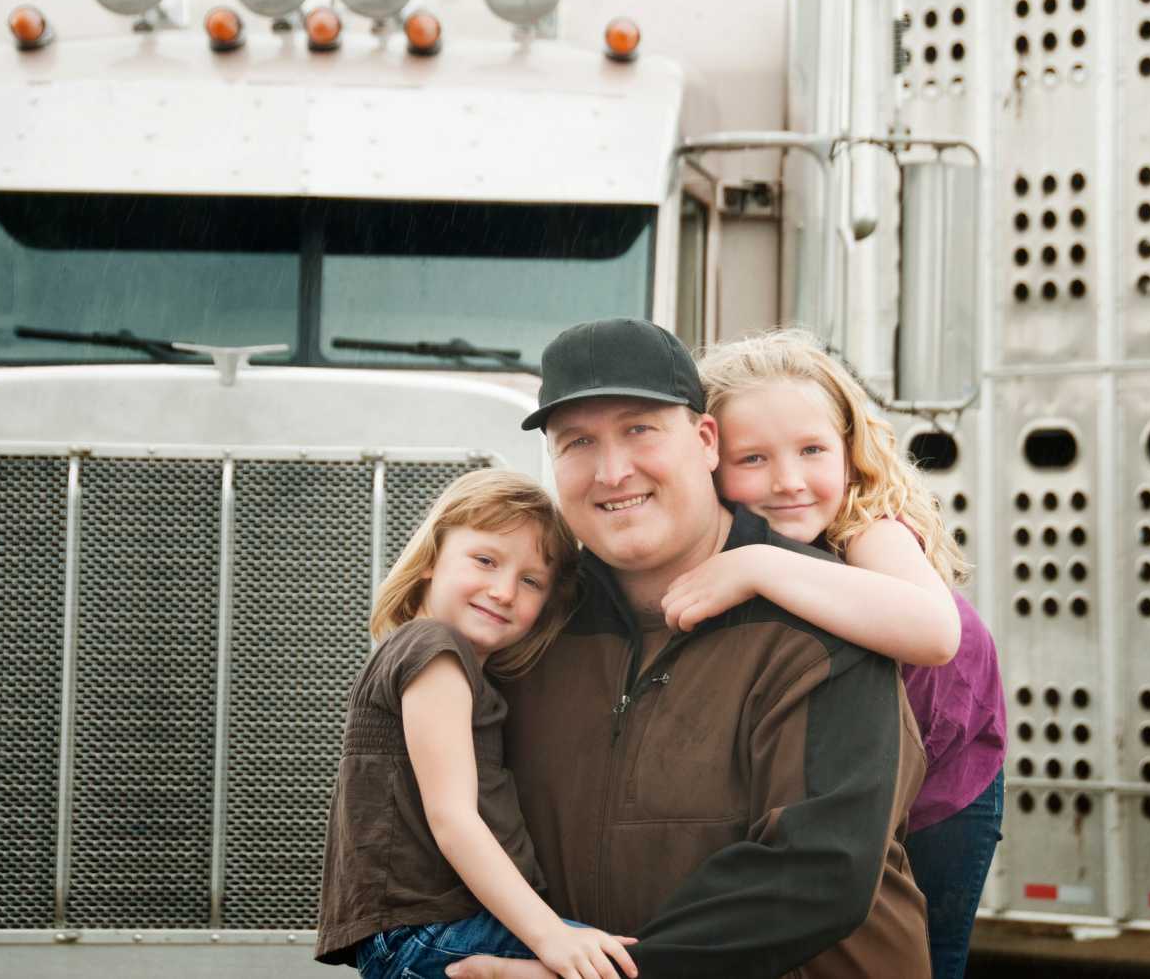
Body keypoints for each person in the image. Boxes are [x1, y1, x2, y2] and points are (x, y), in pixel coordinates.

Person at [455, 318, 932, 979]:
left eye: (639, 429)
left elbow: (819, 871)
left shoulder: (827, 619)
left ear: (706, 439)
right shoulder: (529, 630)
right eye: (578, 441)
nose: (612, 470)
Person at [670, 330, 1006, 979]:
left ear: (850, 455)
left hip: (945, 781)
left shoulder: (867, 530)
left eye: (812, 450)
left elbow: (936, 633)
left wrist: (760, 565)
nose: (789, 481)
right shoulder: (723, 541)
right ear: (709, 458)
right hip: (847, 777)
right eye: (754, 458)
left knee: (923, 953)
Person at [314, 469, 641, 979]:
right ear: (430, 561)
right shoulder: (434, 653)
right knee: (625, 969)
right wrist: (550, 934)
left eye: (531, 581)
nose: (504, 591)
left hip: (424, 930)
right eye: (485, 560)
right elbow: (454, 820)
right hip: (431, 929)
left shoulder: (445, 661)